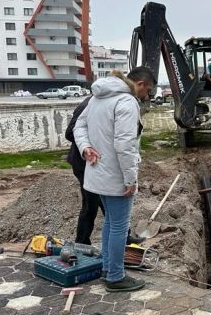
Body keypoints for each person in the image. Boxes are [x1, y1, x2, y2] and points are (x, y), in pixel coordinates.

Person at [73, 67, 155, 293]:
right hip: (115, 175)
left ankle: (108, 268)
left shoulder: (97, 98)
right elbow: (125, 144)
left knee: (110, 222)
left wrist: (85, 147)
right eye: (147, 90)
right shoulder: (126, 102)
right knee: (119, 225)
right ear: (139, 84)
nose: (147, 96)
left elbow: (79, 127)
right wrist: (130, 178)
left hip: (97, 173)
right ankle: (116, 277)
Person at [65, 97, 145, 247]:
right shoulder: (90, 104)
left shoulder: (111, 103)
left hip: (101, 164)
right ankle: (81, 243)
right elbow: (70, 132)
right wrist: (91, 144)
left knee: (108, 206)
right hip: (85, 164)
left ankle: (124, 236)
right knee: (90, 205)